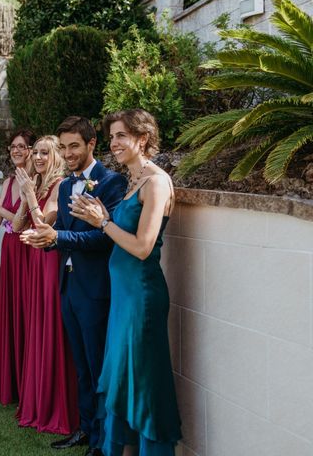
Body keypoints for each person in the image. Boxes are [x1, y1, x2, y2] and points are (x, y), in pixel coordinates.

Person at [69, 109, 182, 455]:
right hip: (122, 295)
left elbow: (143, 247)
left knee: (145, 381)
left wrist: (103, 222)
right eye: (112, 136)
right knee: (121, 376)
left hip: (142, 297)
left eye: (121, 136)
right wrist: (97, 215)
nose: (113, 143)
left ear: (142, 138)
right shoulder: (132, 180)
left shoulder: (157, 182)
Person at [24, 116, 127, 456]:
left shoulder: (111, 182)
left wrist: (59, 237)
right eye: (64, 146)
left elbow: (104, 238)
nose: (68, 153)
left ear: (91, 144)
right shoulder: (66, 186)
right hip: (67, 286)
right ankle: (84, 429)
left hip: (95, 290)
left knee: (98, 366)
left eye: (74, 146)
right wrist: (46, 241)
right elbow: (64, 236)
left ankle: (102, 440)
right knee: (80, 365)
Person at [14, 135, 78, 434]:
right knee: (37, 326)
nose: (38, 158)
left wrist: (29, 195)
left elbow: (45, 226)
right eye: (36, 152)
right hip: (35, 263)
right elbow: (17, 227)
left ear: (57, 157)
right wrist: (27, 192)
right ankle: (37, 400)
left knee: (51, 327)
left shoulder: (59, 185)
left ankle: (57, 404)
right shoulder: (38, 185)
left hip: (52, 263)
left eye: (44, 153)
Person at [0, 129, 35, 406]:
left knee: (27, 312)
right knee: (12, 311)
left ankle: (28, 382)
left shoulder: (34, 182)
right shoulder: (6, 183)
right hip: (9, 250)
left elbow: (21, 223)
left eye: (22, 147)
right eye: (13, 147)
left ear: (30, 150)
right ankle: (12, 382)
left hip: (28, 248)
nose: (16, 151)